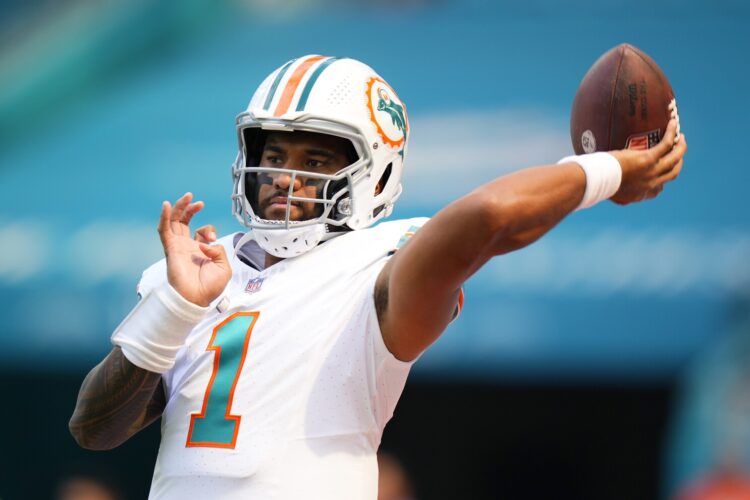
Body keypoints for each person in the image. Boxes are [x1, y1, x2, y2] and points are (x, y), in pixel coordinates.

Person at [69, 55, 686, 499]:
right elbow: (94, 430)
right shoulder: (199, 269)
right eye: (273, 154)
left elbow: (491, 217)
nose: (286, 175)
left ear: (378, 176)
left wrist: (605, 171)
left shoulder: (379, 265)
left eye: (315, 159)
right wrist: (174, 307)